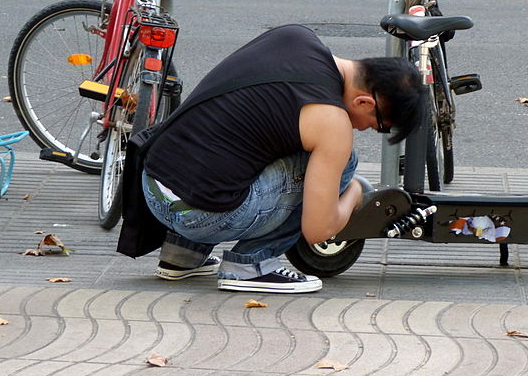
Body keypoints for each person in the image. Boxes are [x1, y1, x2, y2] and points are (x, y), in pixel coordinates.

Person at [139, 23, 422, 294]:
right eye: (377, 125)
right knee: (344, 163)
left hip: (153, 187)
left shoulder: (294, 37)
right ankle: (251, 265)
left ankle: (183, 254)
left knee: (247, 145)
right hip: (201, 216)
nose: (363, 129)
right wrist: (355, 194)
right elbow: (318, 230)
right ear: (364, 103)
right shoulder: (331, 122)